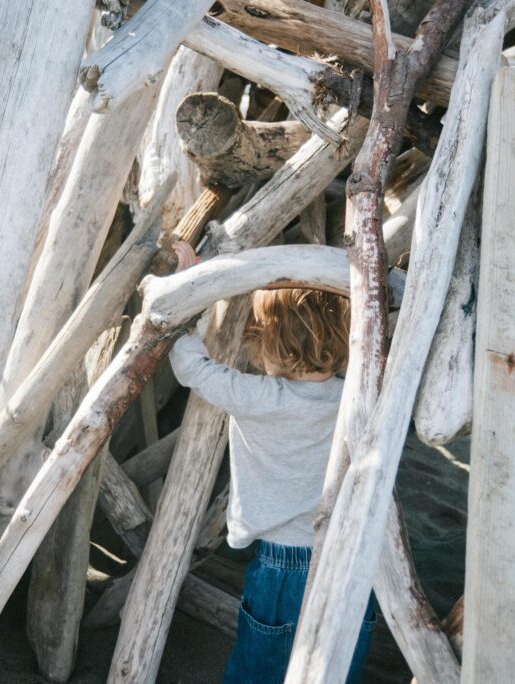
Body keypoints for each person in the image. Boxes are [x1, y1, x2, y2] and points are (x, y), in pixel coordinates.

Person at [167, 242, 376, 684]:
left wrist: (192, 290)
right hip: (354, 557)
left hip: (286, 567)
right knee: (335, 671)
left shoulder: (260, 398)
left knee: (262, 668)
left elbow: (191, 365)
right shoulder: (358, 395)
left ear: (270, 343)